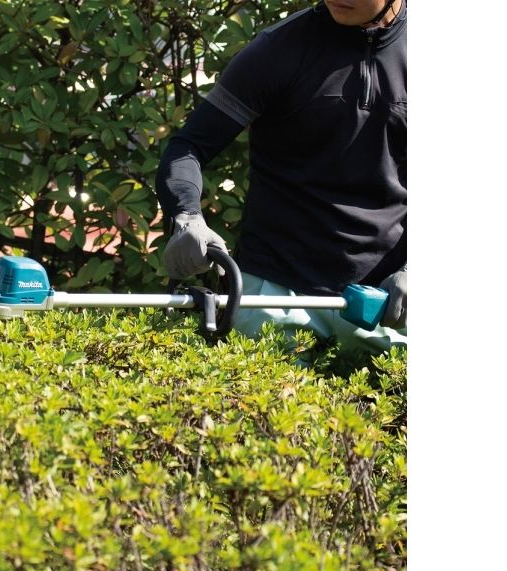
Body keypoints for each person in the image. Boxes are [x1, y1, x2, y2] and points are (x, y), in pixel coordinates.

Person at [155, 0, 407, 352]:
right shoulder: (278, 48)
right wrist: (187, 216)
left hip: (383, 300)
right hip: (272, 293)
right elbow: (189, 146)